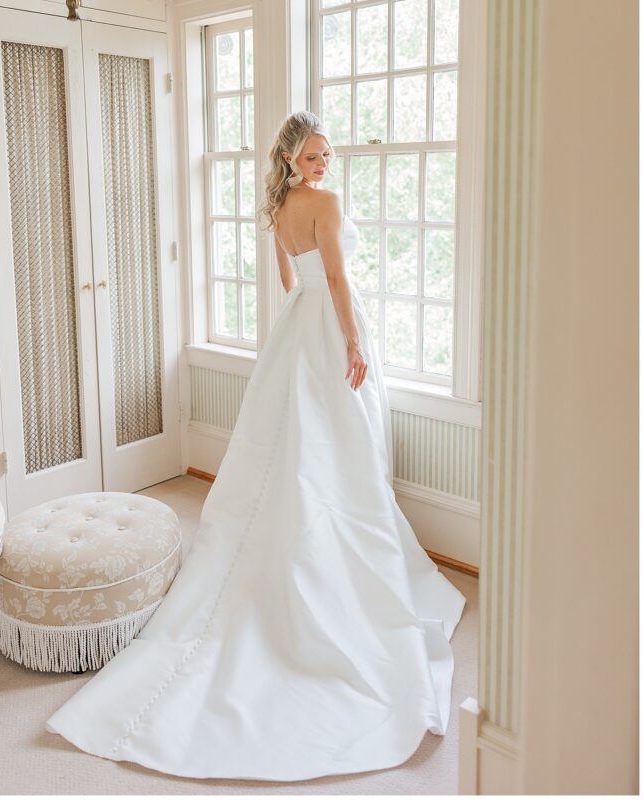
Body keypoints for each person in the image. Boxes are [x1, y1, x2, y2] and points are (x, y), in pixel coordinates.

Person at [45, 111, 467, 781]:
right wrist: (352, 341)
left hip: (297, 327)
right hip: (330, 323)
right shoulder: (325, 203)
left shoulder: (278, 206)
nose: (324, 164)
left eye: (328, 155)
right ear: (293, 158)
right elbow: (335, 280)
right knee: (337, 440)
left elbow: (289, 284)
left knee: (294, 441)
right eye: (314, 155)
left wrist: (305, 327)